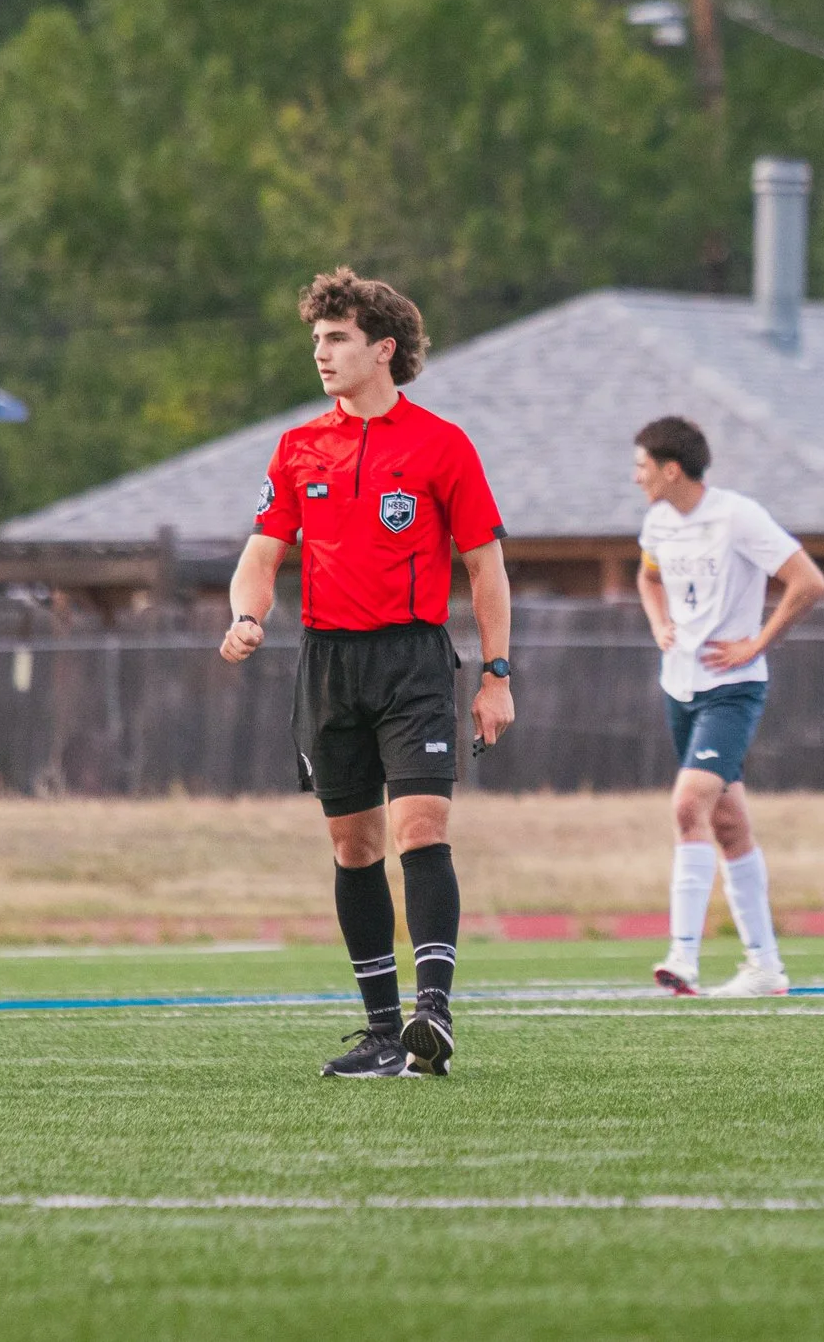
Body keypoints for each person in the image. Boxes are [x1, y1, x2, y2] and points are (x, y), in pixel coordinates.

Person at [221, 269, 514, 1079]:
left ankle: (435, 1011)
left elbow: (486, 567)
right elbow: (260, 555)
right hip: (327, 663)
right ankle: (385, 1033)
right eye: (316, 338)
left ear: (383, 348)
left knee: (421, 827)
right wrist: (249, 615)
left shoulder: (442, 444)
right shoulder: (297, 447)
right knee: (354, 845)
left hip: (412, 659)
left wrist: (496, 673)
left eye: (337, 337)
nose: (321, 351)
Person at [632, 415, 824, 998]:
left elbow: (809, 582)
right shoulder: (658, 522)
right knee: (727, 822)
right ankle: (765, 965)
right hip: (680, 686)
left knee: (688, 805)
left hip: (732, 689)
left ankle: (683, 957)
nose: (636, 477)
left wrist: (756, 643)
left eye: (642, 466)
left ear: (672, 469)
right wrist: (660, 623)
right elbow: (648, 579)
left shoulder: (738, 515)